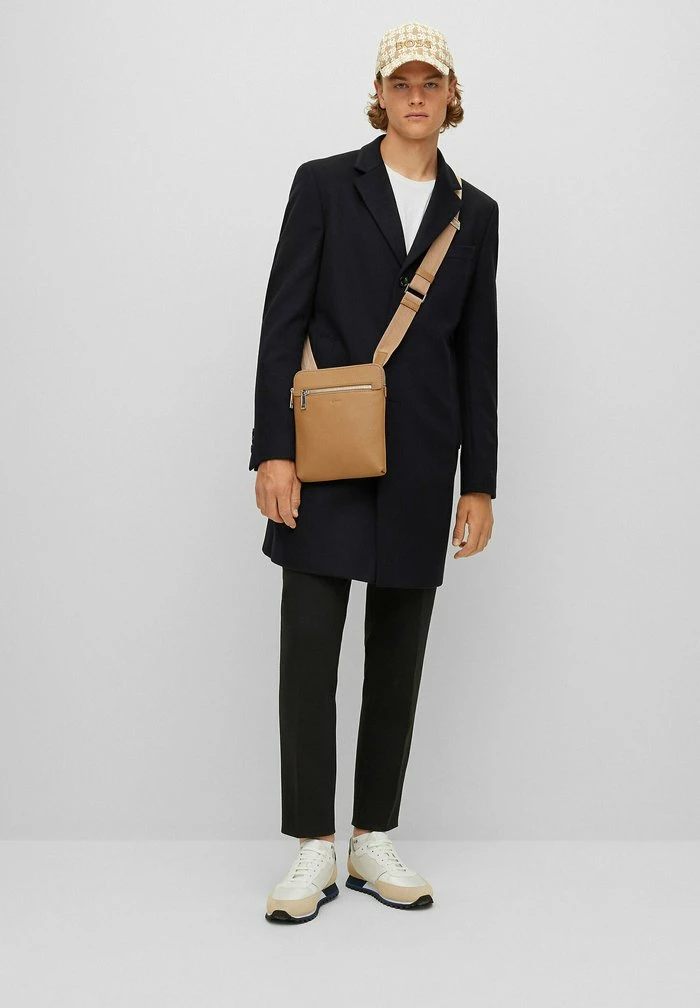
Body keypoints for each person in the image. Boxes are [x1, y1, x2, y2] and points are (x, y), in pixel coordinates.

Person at [249, 22, 499, 924]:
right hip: (323, 452)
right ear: (381, 95)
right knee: (309, 650)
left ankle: (372, 838)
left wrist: (481, 481)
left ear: (452, 96)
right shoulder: (323, 184)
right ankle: (312, 847)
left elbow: (478, 351)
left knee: (398, 659)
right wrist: (272, 449)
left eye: (431, 83)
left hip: (425, 460)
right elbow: (283, 319)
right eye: (402, 83)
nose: (416, 96)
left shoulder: (475, 211)